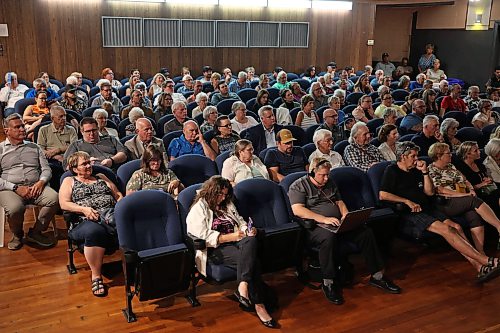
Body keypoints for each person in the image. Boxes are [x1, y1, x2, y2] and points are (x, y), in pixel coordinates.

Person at [379, 141, 500, 283]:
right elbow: (383, 194)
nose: (416, 159)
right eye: (413, 156)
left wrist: (424, 173)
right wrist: (406, 201)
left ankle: (479, 267)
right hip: (411, 213)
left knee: (457, 227)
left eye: (417, 155)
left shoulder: (417, 170)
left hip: (428, 207)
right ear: (403, 157)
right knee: (447, 230)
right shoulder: (391, 170)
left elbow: (429, 192)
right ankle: (486, 260)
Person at [289, 158, 401, 304]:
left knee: (365, 232)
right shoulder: (298, 185)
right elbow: (298, 210)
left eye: (327, 174)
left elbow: (339, 202)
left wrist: (346, 216)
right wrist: (323, 219)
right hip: (316, 226)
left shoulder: (330, 182)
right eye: (322, 175)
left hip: (337, 223)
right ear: (311, 173)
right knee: (327, 237)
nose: (326, 178)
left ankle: (377, 275)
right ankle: (328, 282)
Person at [186, 176, 277, 328]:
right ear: (211, 191)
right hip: (215, 249)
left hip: (238, 242)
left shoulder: (227, 204)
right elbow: (200, 237)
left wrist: (246, 230)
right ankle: (259, 305)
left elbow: (240, 221)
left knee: (251, 239)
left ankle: (243, 286)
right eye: (219, 194)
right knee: (253, 262)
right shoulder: (199, 208)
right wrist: (229, 237)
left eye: (225, 195)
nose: (222, 198)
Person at [59, 151, 123, 296]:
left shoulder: (101, 177)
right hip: (83, 220)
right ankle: (96, 276)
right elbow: (63, 204)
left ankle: (137, 265)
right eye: (84, 163)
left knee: (127, 222)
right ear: (75, 169)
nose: (89, 165)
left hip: (110, 214)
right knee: (94, 231)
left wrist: (121, 206)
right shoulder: (69, 181)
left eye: (89, 162)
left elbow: (118, 194)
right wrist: (84, 209)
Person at [0, 114, 59, 250]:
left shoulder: (34, 147)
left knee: (54, 198)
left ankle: (36, 231)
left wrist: (41, 182)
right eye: (17, 127)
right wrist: (15, 188)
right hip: (10, 189)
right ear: (6, 130)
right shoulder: (1, 149)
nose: (22, 129)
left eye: (22, 126)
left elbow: (46, 169)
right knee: (15, 208)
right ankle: (17, 234)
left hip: (36, 186)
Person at [428, 142, 500, 252]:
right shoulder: (432, 170)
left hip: (463, 199)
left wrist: (470, 188)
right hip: (447, 202)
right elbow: (440, 190)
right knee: (473, 201)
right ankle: (499, 226)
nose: (451, 155)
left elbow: (465, 180)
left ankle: (480, 252)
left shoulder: (451, 166)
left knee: (474, 216)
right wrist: (465, 194)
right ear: (439, 156)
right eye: (448, 153)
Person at [63, 117, 128, 170]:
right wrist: (86, 163)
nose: (91, 134)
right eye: (88, 131)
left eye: (94, 130)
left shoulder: (110, 139)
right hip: (90, 173)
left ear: (98, 129)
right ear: (82, 132)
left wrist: (112, 160)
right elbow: (67, 166)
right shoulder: (76, 145)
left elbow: (123, 154)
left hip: (114, 169)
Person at [455, 142, 500, 214]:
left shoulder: (479, 163)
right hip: (477, 194)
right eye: (475, 151)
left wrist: (488, 179)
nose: (479, 152)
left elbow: (486, 176)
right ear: (467, 154)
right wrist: (481, 185)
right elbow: (465, 188)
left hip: (489, 190)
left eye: (478, 149)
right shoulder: (462, 169)